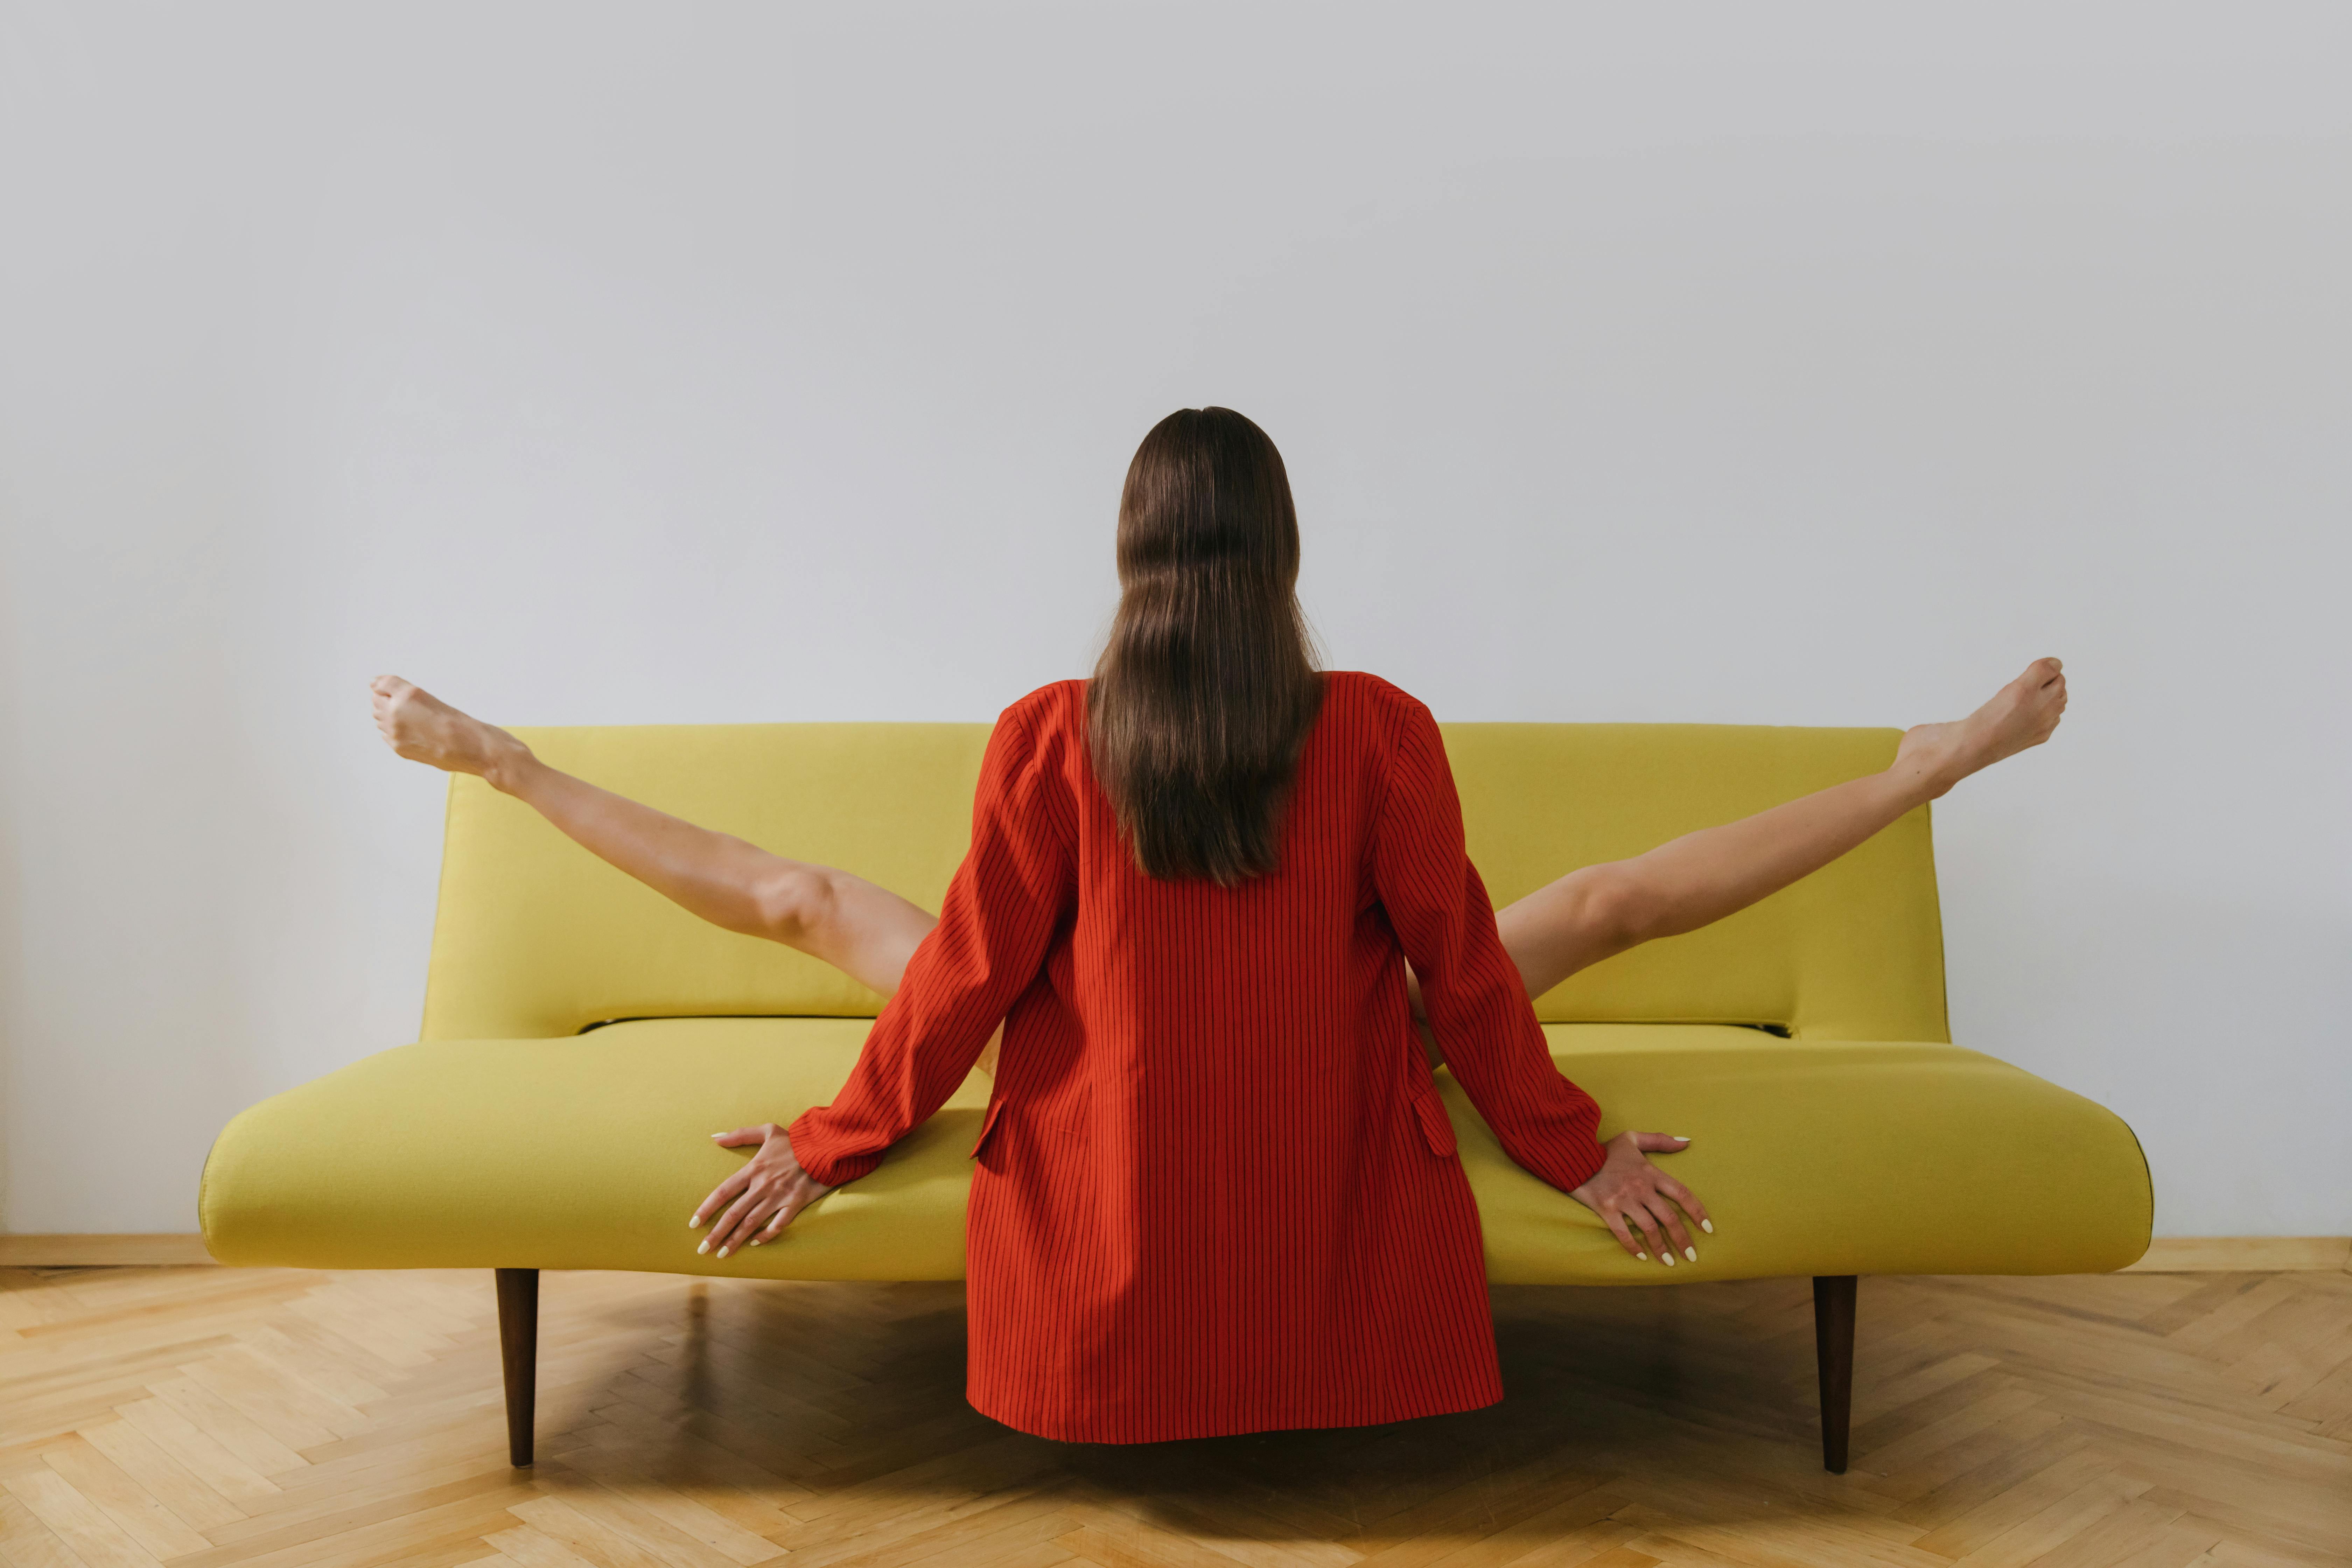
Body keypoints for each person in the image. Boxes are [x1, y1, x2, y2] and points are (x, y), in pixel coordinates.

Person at [370, 408, 2066, 1442]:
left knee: (815, 908)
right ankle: (1918, 772)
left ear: (1130, 555)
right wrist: (1576, 1144)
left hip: (1082, 1045)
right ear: (1284, 553)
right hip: (1350, 1038)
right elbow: (1464, 985)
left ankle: (505, 765)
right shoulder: (1378, 730)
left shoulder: (1051, 732)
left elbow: (963, 987)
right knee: (1604, 907)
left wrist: (834, 1136)